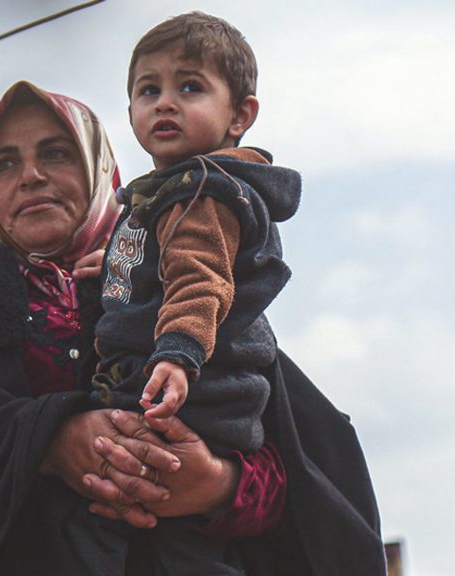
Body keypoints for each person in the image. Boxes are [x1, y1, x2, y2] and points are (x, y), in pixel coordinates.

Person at [0, 80, 385, 575]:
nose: (31, 176)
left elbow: (307, 464)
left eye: (56, 153)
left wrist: (217, 485)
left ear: (103, 173)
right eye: (4, 164)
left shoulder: (175, 287)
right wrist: (49, 439)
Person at [46, 12, 302, 575]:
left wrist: (178, 356)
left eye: (190, 87)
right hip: (201, 403)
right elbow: (160, 262)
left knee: (109, 533)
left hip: (189, 401)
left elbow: (198, 279)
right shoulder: (171, 195)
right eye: (148, 89)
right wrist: (112, 265)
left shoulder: (201, 193)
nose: (165, 102)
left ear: (241, 115)